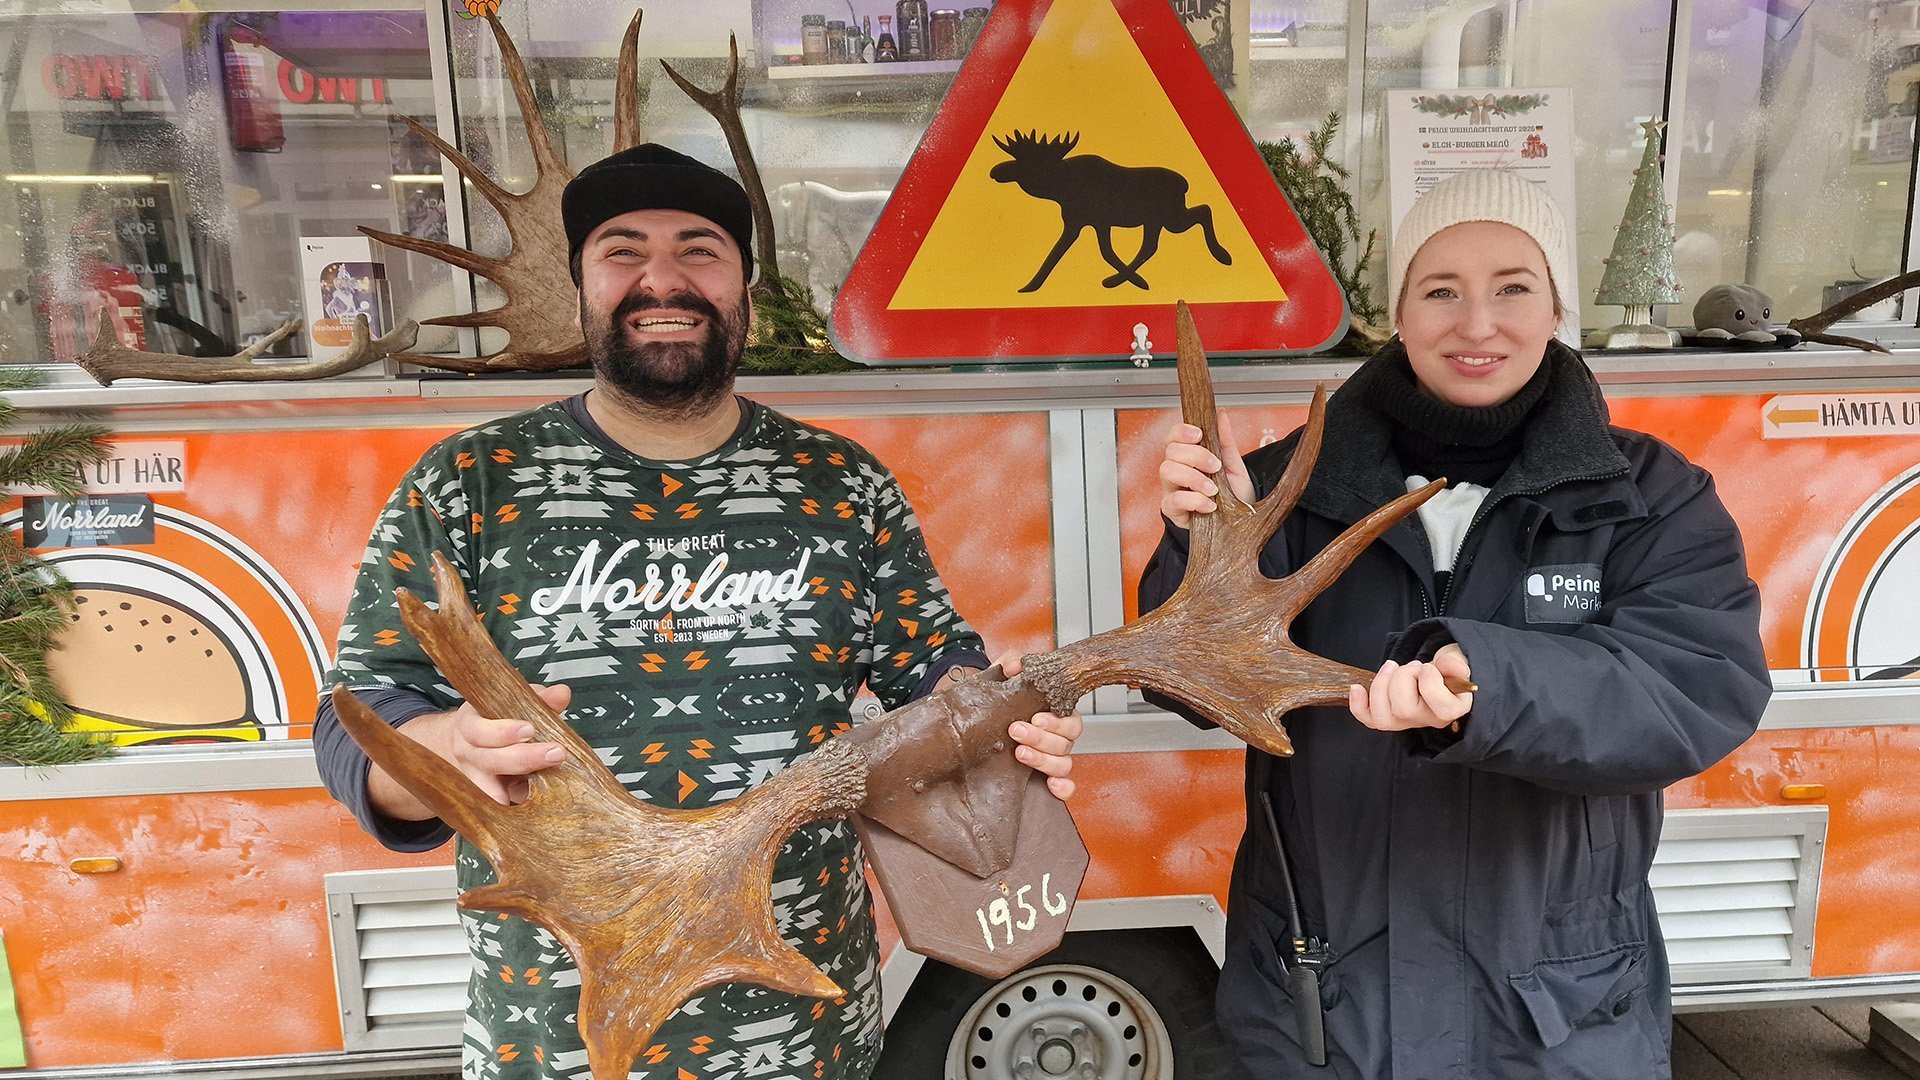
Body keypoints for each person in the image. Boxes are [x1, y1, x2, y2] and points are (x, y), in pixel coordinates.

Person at [313, 143, 1081, 1080]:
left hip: (807, 1029)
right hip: (558, 1036)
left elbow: (930, 668)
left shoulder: (841, 483)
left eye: (700, 249)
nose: (663, 279)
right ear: (582, 287)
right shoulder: (469, 482)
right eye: (623, 251)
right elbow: (359, 715)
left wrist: (997, 719)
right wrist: (441, 752)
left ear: (744, 290)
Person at [1140, 169, 1770, 1077]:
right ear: (1396, 313)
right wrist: (1204, 551)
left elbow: (1694, 690)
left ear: (1556, 308)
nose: (1478, 325)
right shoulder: (1282, 488)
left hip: (1558, 1014)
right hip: (1323, 1003)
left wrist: (1486, 684)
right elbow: (1188, 691)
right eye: (1441, 291)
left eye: (1513, 288)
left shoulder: (1649, 496)